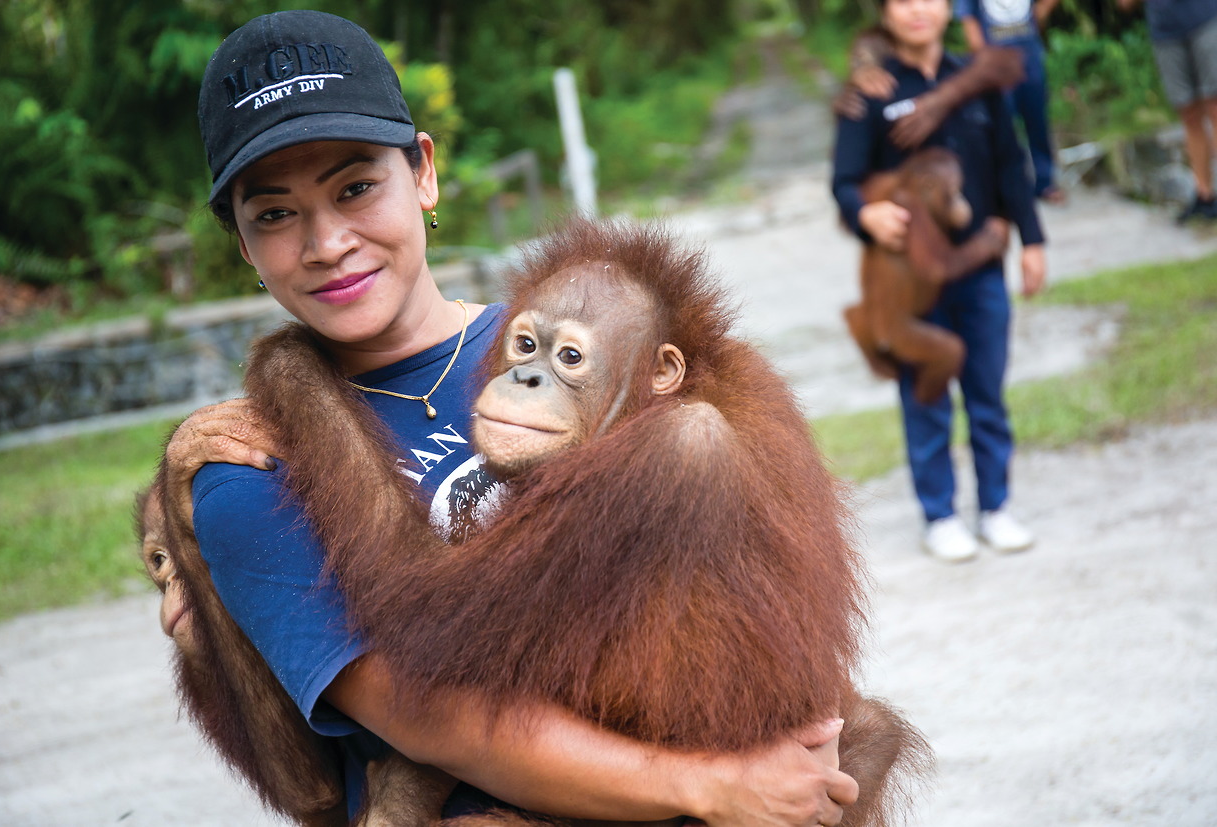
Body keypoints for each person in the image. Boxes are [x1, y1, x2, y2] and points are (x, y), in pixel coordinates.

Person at [167, 9, 857, 825]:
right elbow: (431, 709)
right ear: (242, 244)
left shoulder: (587, 341)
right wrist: (707, 788)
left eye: (356, 188)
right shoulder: (248, 468)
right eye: (274, 214)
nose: (327, 242)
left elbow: (767, 597)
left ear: (423, 172)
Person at [831, 0, 1047, 563]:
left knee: (987, 392)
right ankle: (941, 515)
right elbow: (844, 182)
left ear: (950, 8)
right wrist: (865, 215)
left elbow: (1010, 165)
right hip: (909, 282)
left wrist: (1033, 240)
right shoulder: (871, 91)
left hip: (980, 275)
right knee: (924, 396)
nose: (917, 9)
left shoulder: (975, 78)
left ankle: (996, 506)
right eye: (902, 0)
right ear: (885, 12)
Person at [953, 0, 1065, 204]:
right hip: (997, 65)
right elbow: (968, 19)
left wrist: (1039, 13)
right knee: (1000, 127)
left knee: (1038, 121)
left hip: (1029, 58)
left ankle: (1045, 181)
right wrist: (983, 59)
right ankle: (1006, 187)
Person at [1118, 0, 1217, 223]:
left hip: (1207, 18)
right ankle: (1205, 196)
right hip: (1165, 31)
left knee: (1214, 105)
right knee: (1188, 113)